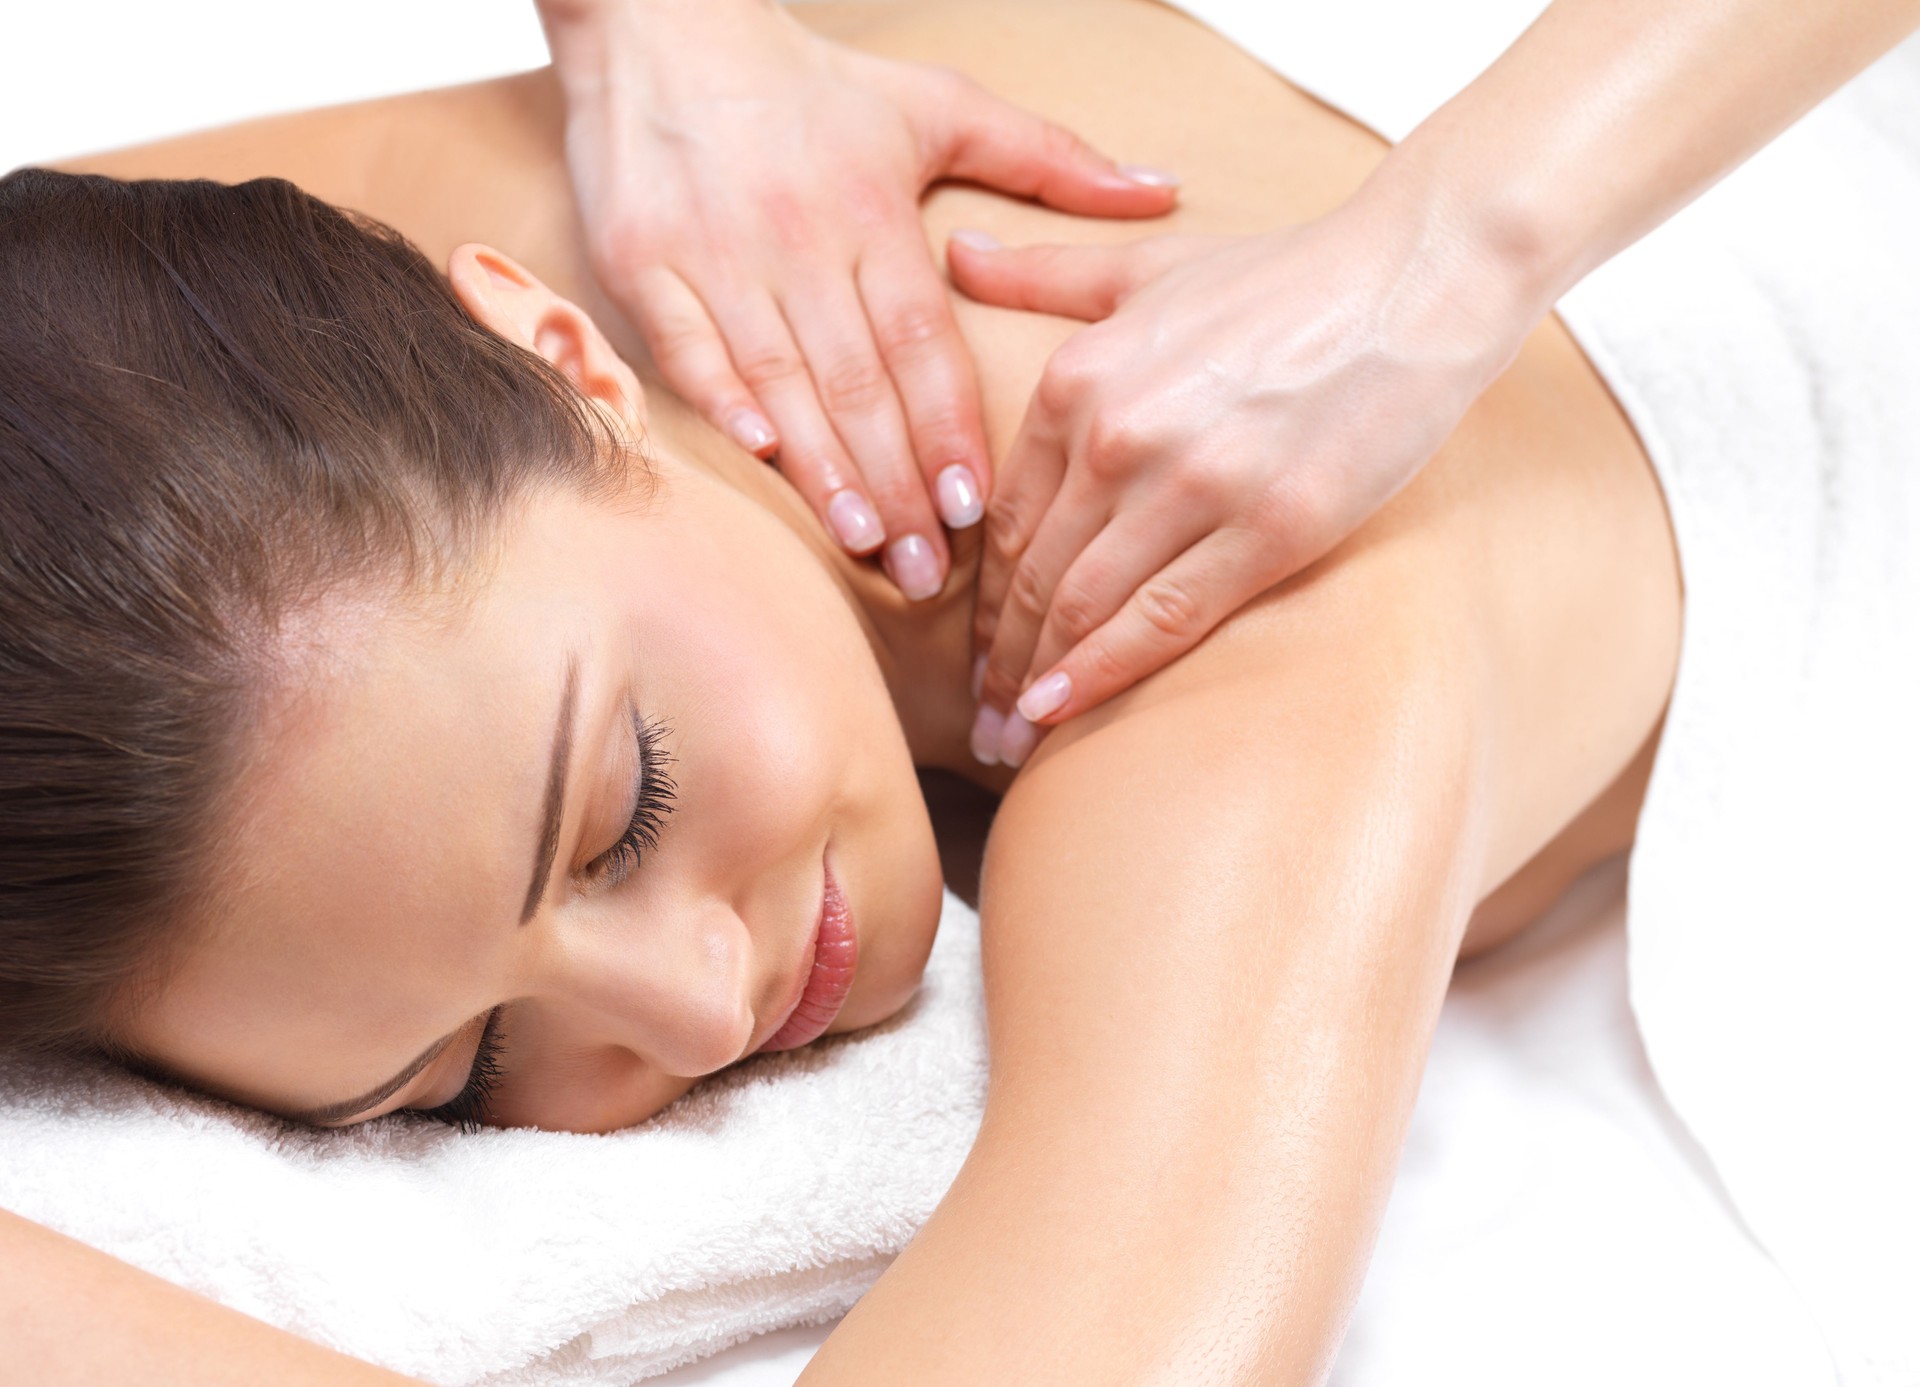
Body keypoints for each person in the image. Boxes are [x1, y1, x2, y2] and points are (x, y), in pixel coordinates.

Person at [5, 0, 1867, 1380]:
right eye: (458, 1074)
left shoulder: (1228, 647)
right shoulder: (174, 389)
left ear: (559, 351)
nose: (704, 1004)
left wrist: (1443, 255)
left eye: (620, 809)